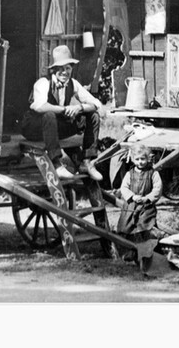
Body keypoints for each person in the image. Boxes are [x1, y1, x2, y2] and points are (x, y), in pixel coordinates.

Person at [19, 44, 103, 181]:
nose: (64, 72)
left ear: (71, 69)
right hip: (34, 128)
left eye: (67, 68)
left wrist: (79, 108)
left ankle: (87, 162)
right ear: (53, 70)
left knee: (93, 115)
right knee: (49, 115)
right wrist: (64, 109)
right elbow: (40, 107)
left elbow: (96, 103)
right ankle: (56, 164)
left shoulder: (73, 83)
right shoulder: (43, 82)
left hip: (54, 128)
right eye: (60, 69)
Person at [115, 143, 163, 272]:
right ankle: (129, 253)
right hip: (131, 206)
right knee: (126, 228)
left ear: (148, 159)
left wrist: (148, 198)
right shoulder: (129, 174)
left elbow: (157, 189)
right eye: (137, 159)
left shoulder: (153, 173)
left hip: (146, 207)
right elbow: (124, 188)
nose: (140, 162)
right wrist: (132, 196)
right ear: (132, 159)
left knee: (144, 229)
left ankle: (146, 256)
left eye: (143, 159)